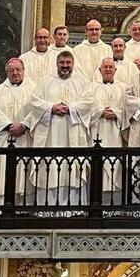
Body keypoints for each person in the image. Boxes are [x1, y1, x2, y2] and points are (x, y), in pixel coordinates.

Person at [27, 50, 94, 205]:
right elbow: (35, 100)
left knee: (72, 169)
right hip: (50, 133)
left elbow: (88, 102)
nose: (65, 66)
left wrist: (70, 108)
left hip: (73, 132)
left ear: (73, 64)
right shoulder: (45, 82)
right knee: (48, 169)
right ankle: (46, 207)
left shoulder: (82, 82)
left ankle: (73, 207)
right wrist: (52, 107)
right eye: (62, 63)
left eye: (68, 63)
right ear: (57, 63)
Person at [0, 57, 35, 205]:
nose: (15, 73)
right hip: (5, 137)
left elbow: (37, 110)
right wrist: (9, 125)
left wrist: (24, 125)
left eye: (18, 70)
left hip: (25, 137)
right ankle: (2, 206)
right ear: (6, 72)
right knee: (4, 174)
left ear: (24, 71)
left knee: (23, 172)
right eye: (11, 70)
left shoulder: (33, 89)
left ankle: (23, 207)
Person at [90, 58, 128, 205]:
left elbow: (128, 109)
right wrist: (100, 112)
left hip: (116, 133)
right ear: (99, 70)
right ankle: (96, 203)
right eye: (104, 67)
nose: (107, 69)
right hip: (98, 131)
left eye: (110, 67)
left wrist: (117, 113)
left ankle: (116, 204)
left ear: (115, 70)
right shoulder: (91, 87)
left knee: (116, 165)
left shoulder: (124, 88)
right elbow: (86, 109)